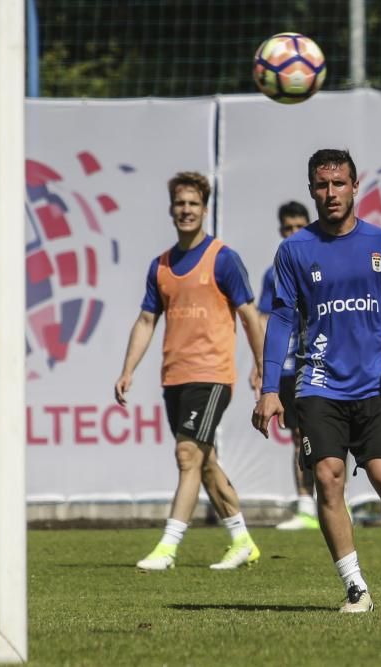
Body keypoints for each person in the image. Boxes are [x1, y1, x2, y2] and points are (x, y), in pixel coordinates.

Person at [251, 149, 381, 613]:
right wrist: (270, 389)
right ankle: (355, 586)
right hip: (318, 385)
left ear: (355, 186)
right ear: (312, 190)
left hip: (375, 385)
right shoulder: (295, 251)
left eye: (338, 184)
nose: (330, 193)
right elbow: (280, 322)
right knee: (328, 481)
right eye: (321, 185)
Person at [115, 170, 264, 572]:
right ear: (171, 210)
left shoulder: (223, 259)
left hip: (212, 375)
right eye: (180, 204)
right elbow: (146, 320)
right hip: (174, 378)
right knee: (204, 461)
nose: (186, 210)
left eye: (193, 204)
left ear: (204, 209)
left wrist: (262, 367)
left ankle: (168, 547)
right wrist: (128, 369)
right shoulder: (160, 266)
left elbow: (251, 316)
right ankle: (242, 541)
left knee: (186, 455)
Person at [254, 201, 318, 531]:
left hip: (319, 363)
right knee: (298, 436)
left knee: (329, 436)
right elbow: (264, 319)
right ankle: (306, 507)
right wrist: (262, 364)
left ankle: (338, 501)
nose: (293, 233)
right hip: (288, 367)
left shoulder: (322, 262)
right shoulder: (274, 272)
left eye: (299, 226)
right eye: (288, 228)